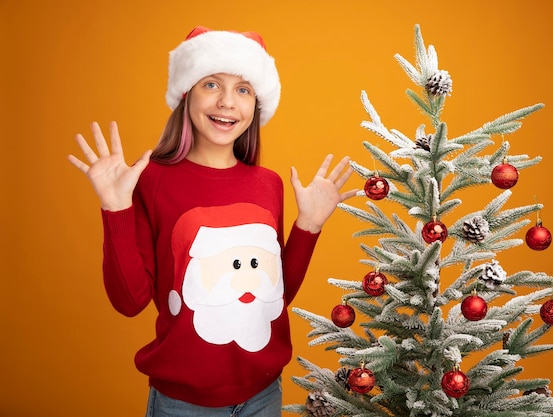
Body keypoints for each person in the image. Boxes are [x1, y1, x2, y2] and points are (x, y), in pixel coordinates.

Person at [68, 26, 357, 417]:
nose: (227, 102)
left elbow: (271, 298)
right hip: (184, 403)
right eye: (211, 84)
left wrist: (308, 226)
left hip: (264, 393)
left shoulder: (267, 185)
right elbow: (130, 301)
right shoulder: (150, 180)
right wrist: (115, 206)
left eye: (243, 89)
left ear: (256, 104)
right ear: (186, 93)